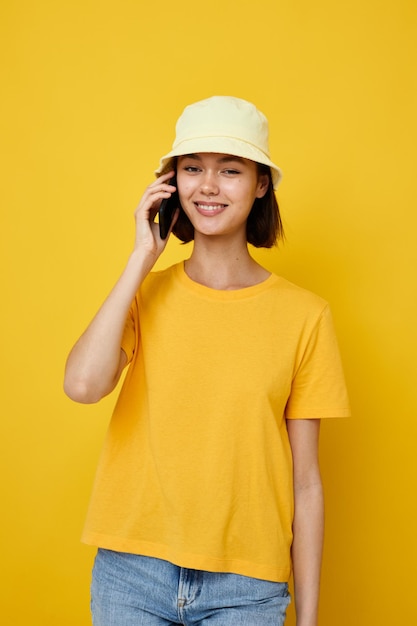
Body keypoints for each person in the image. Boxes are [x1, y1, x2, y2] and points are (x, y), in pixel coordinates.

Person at [64, 96, 350, 626]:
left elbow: (307, 483)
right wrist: (138, 261)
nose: (209, 186)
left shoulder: (305, 316)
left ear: (261, 183)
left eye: (231, 170)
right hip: (132, 573)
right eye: (192, 168)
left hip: (247, 586)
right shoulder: (143, 296)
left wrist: (309, 619)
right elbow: (82, 385)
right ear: (172, 184)